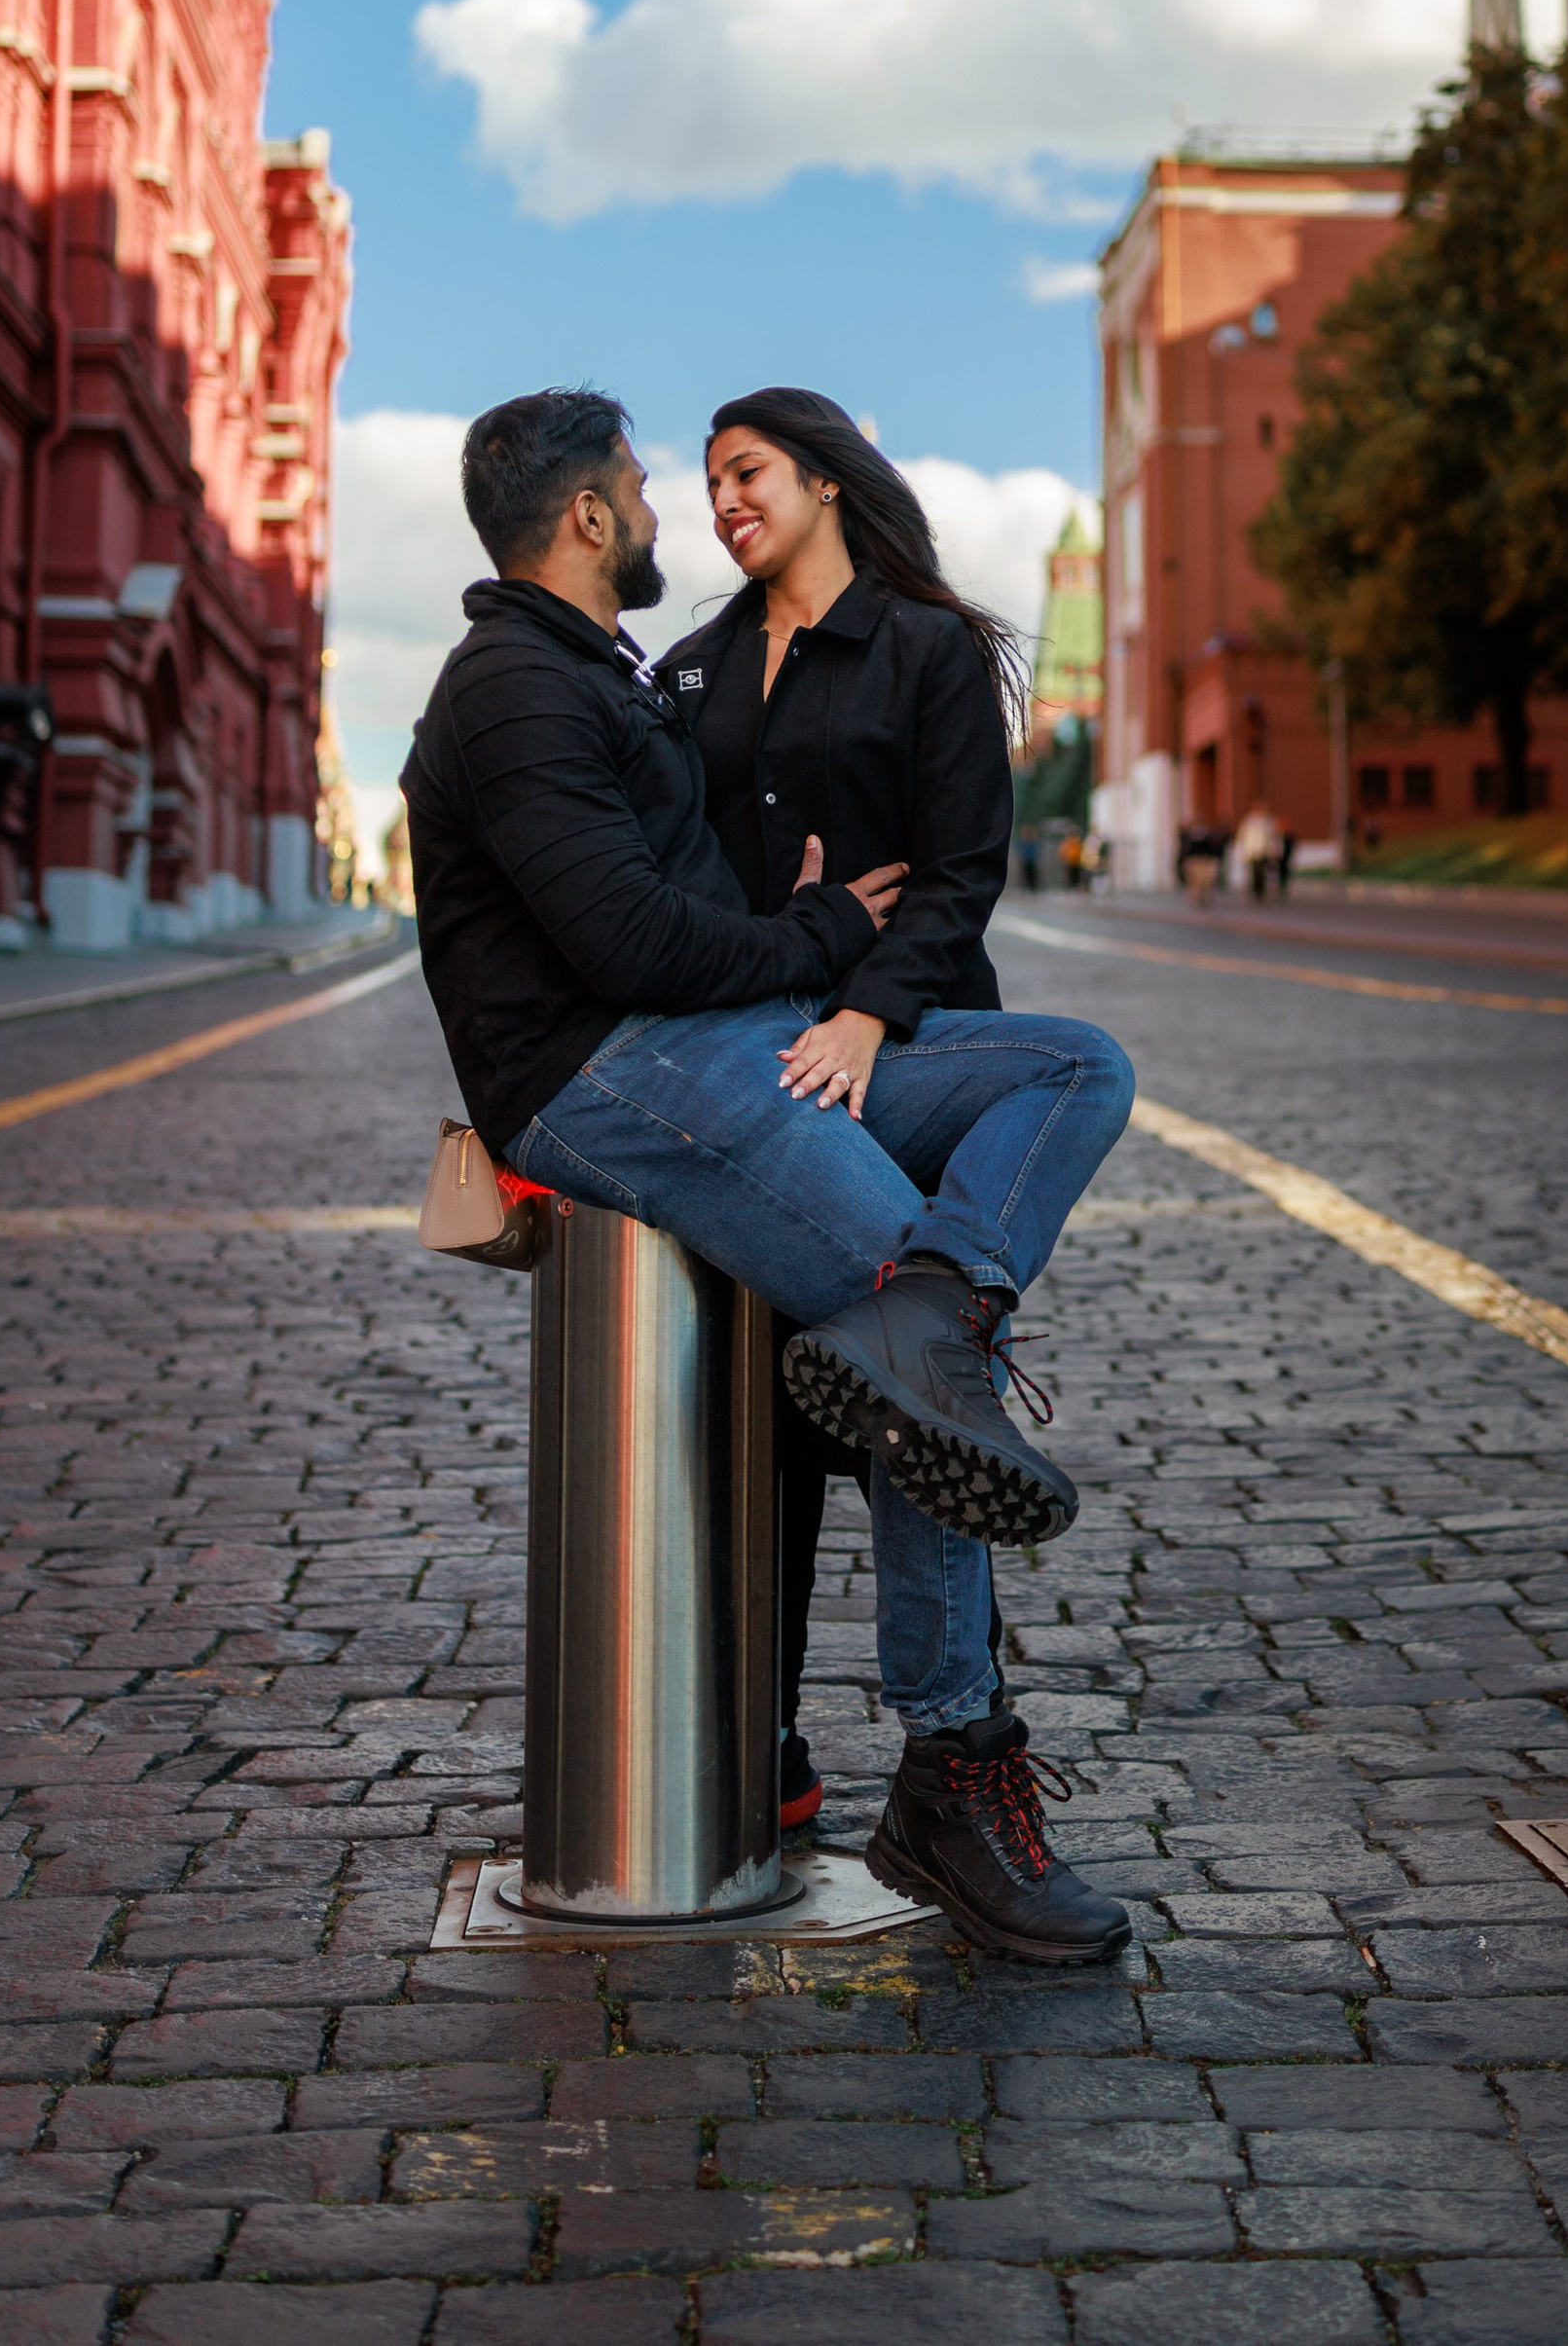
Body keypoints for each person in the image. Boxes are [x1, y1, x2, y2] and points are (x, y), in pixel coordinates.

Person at [402, 386, 1136, 1963]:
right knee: (916, 1337)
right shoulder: (517, 686)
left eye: (733, 474)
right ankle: (955, 1762)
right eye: (658, 484)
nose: (680, 506)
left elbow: (699, 893)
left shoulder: (614, 672)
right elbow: (624, 946)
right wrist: (816, 931)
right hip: (604, 1068)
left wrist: (803, 945)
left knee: (1068, 1067)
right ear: (589, 516)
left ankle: (934, 1325)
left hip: (752, 1033)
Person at [657, 386, 1025, 1851]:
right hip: (753, 1069)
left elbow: (962, 869)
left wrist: (868, 1010)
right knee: (757, 1415)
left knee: (918, 1406)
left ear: (823, 479)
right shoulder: (691, 673)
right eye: (709, 482)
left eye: (748, 472)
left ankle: (956, 1749)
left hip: (912, 1053)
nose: (726, 500)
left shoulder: (927, 647)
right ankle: (763, 1737)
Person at [1234, 801, 1283, 903]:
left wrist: (1276, 849)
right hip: (1253, 851)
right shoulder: (1249, 821)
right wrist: (1241, 850)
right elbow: (1242, 836)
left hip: (1265, 851)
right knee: (1255, 872)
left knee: (1264, 872)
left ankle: (1262, 891)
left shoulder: (1269, 822)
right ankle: (1257, 891)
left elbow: (1275, 836)